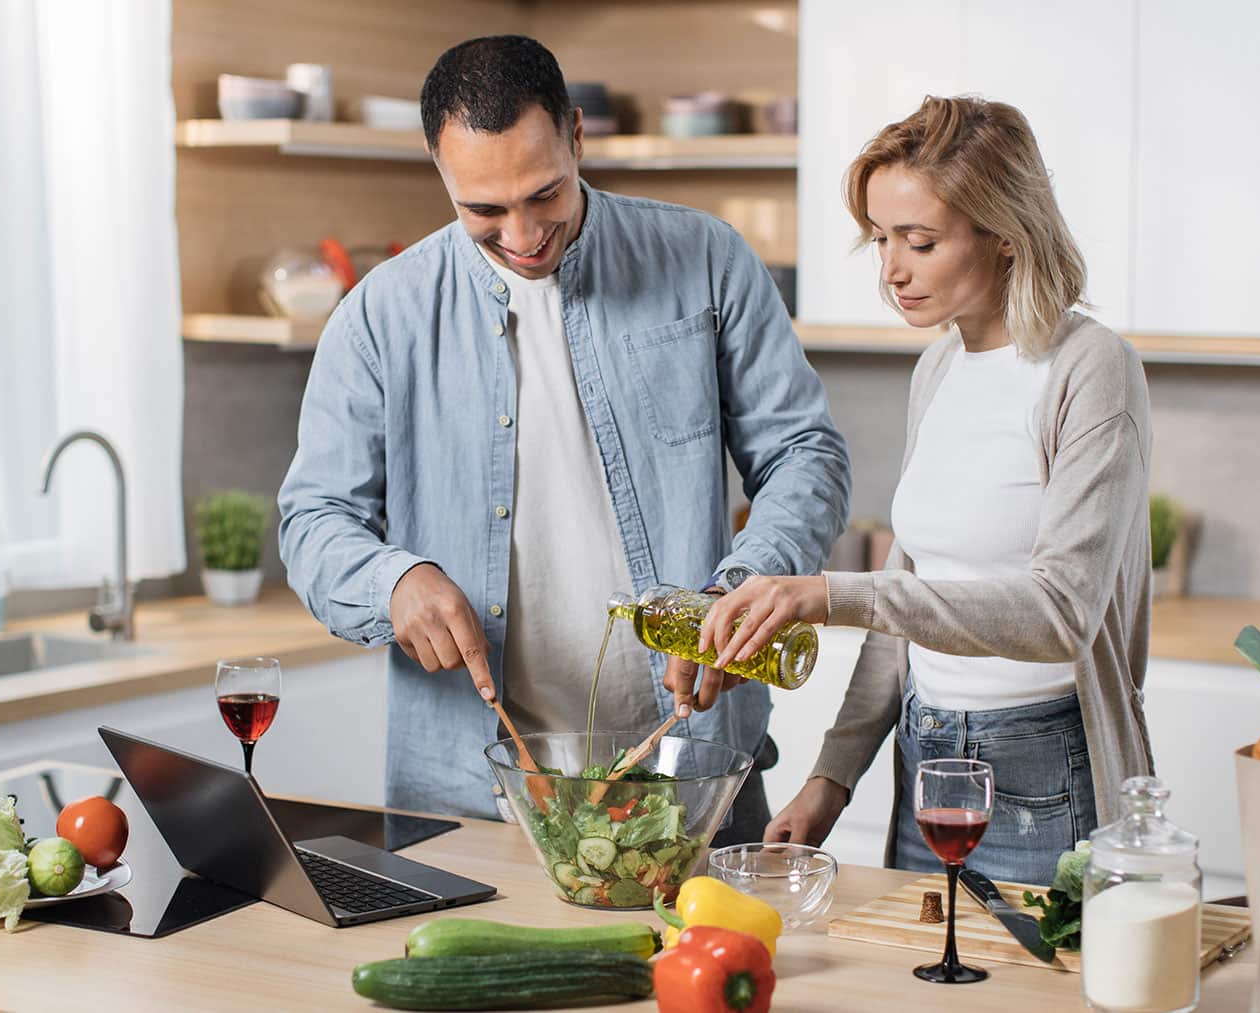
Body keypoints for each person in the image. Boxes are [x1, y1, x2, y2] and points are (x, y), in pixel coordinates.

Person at [278, 35, 850, 844]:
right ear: (441, 174)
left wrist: (743, 589)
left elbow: (806, 454)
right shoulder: (379, 318)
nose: (522, 232)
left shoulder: (706, 260)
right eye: (484, 210)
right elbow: (312, 524)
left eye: (544, 192)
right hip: (468, 799)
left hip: (695, 780)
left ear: (578, 136)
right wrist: (394, 581)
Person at [666, 95, 1154, 883]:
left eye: (920, 241)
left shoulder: (1089, 369)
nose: (893, 269)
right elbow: (908, 593)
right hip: (925, 758)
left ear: (1004, 234)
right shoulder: (939, 367)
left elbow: (1062, 613)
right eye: (882, 238)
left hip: (1045, 770)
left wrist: (832, 593)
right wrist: (832, 776)